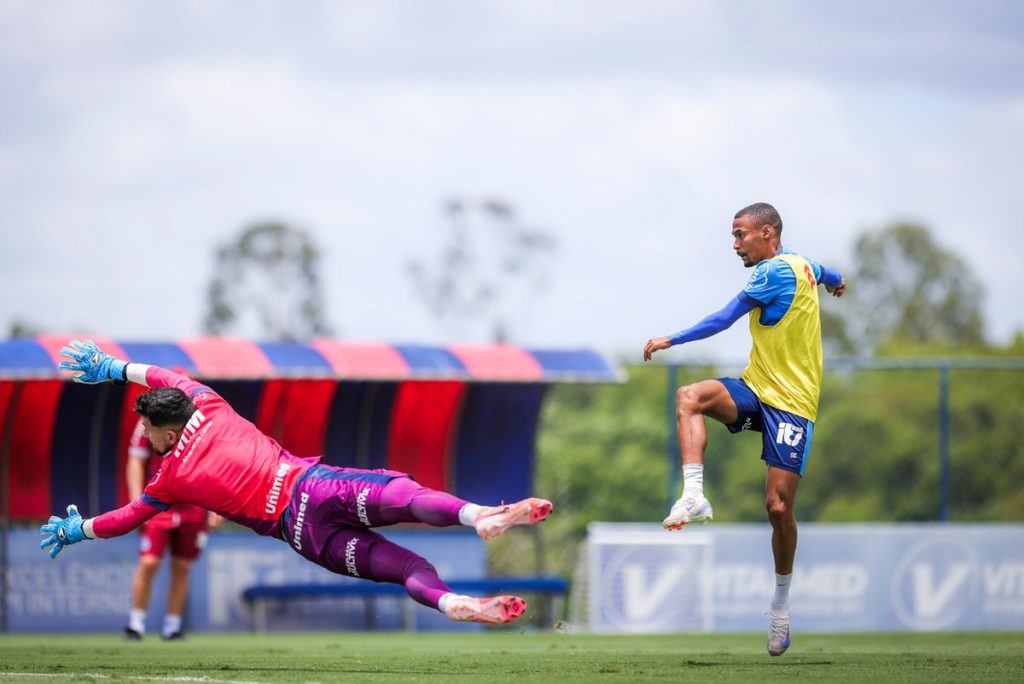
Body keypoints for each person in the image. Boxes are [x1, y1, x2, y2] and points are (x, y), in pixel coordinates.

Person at [41, 340, 553, 625]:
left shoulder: (171, 478)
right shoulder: (207, 401)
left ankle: (451, 604)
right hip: (314, 485)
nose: (145, 435)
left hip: (303, 532)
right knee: (408, 497)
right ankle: (477, 515)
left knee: (411, 569)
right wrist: (113, 367)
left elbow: (125, 519)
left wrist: (76, 529)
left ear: (168, 432)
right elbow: (162, 376)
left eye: (148, 429)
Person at [642, 202, 846, 656]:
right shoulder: (801, 264)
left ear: (767, 233)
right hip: (756, 388)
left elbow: (723, 318)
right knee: (689, 397)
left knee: (778, 508)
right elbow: (826, 271)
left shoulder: (772, 272)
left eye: (741, 235)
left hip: (792, 407)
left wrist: (671, 338)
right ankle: (694, 495)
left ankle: (780, 605)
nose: (735, 245)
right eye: (733, 236)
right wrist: (837, 281)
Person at [124, 416, 221, 640]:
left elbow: (214, 463)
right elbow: (136, 459)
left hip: (193, 506)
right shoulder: (150, 418)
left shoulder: (203, 419)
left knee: (182, 565)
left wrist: (216, 506)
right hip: (159, 503)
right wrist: (136, 503)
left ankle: (172, 626)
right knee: (149, 562)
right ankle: (135, 624)